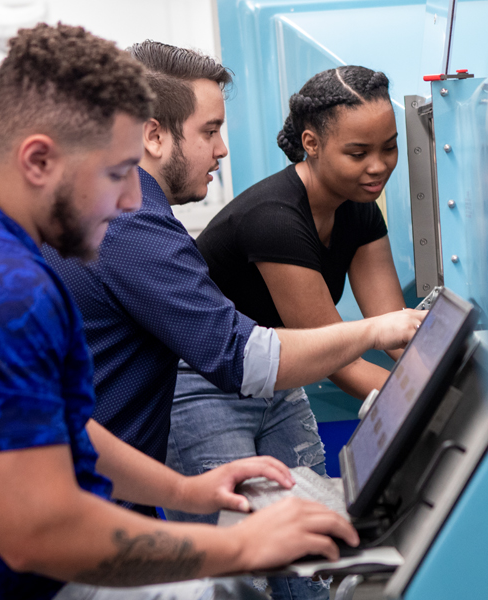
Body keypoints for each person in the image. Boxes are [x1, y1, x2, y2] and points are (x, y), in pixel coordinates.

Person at [0, 24, 363, 600]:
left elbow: (52, 425)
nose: (131, 202)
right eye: (118, 174)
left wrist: (186, 491)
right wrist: (244, 547)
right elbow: (40, 531)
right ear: (38, 160)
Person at [42, 44, 422, 514]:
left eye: (390, 148)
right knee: (245, 562)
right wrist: (407, 371)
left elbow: (392, 330)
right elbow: (242, 357)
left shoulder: (112, 209)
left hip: (110, 469)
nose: (222, 148)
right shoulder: (133, 224)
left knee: (304, 543)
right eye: (211, 130)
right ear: (154, 136)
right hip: (189, 400)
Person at [173, 65, 406, 517]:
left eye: (389, 147)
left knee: (313, 542)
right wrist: (429, 406)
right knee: (238, 553)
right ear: (311, 144)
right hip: (204, 381)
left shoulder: (359, 209)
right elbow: (338, 356)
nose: (378, 166)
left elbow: (398, 334)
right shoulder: (275, 218)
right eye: (358, 153)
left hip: (279, 374)